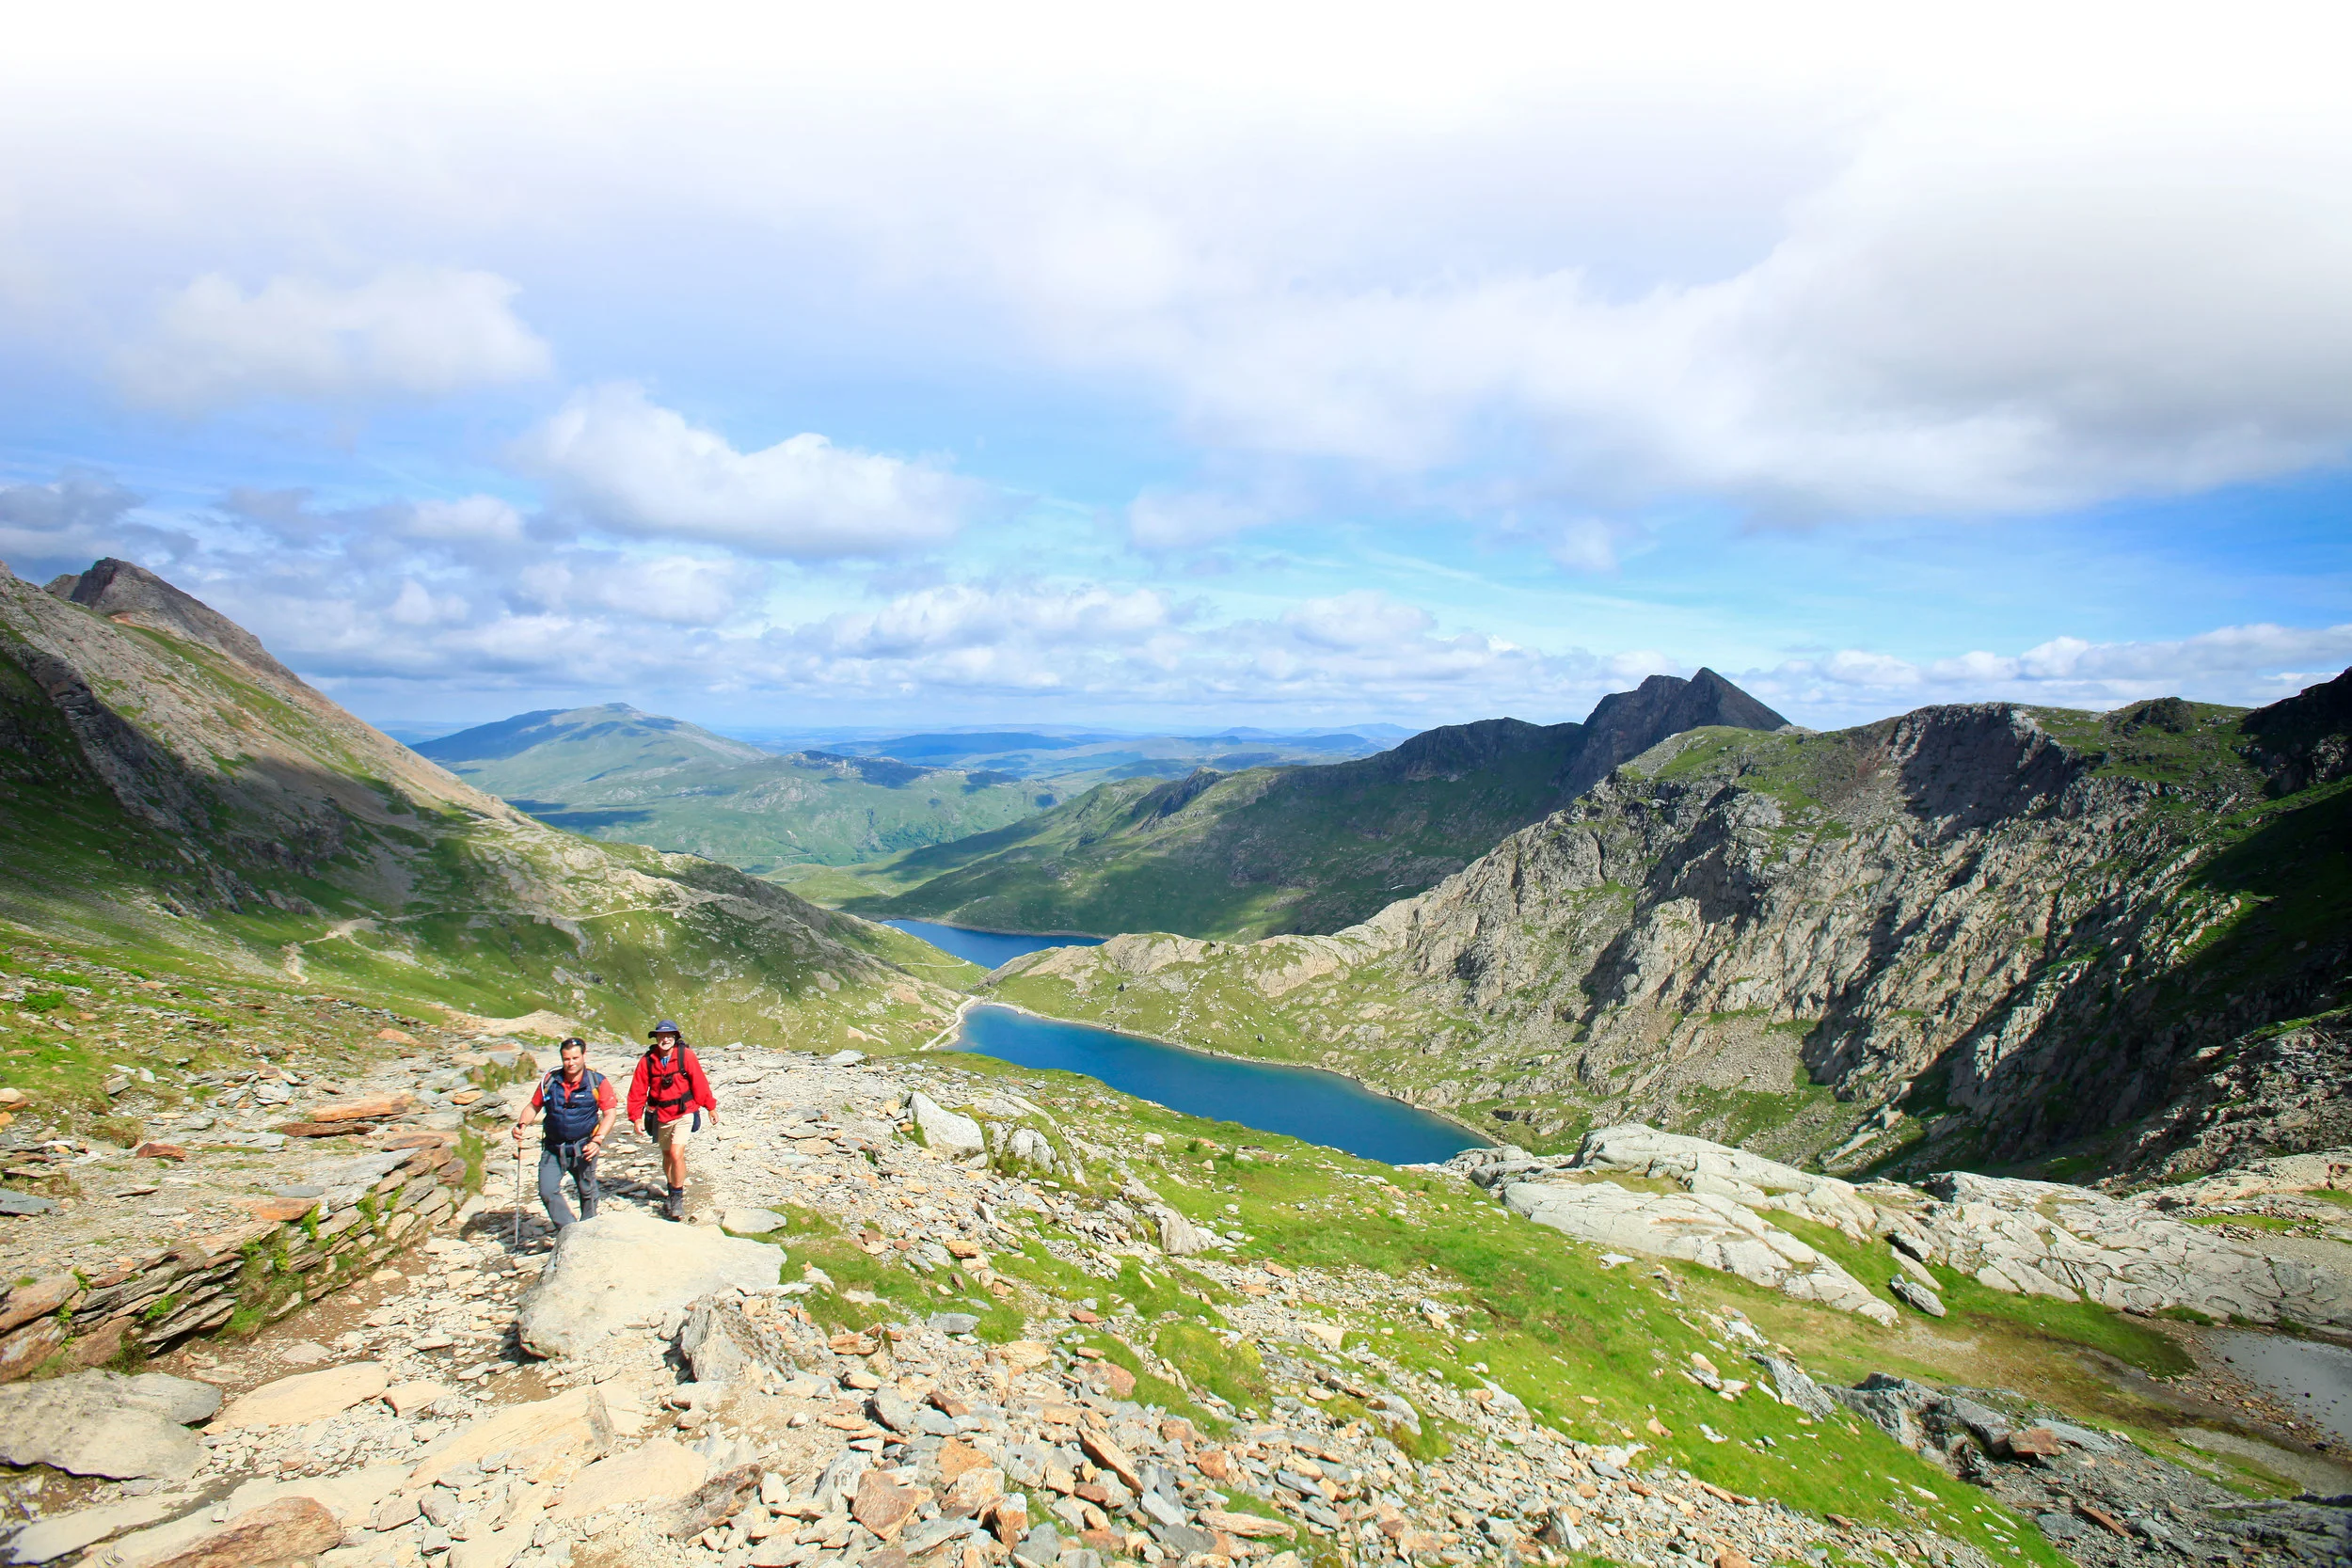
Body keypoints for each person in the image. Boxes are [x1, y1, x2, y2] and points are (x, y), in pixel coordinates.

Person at [511, 1037, 619, 1230]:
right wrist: (522, 1124)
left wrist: (598, 1140)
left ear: (584, 1056)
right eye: (567, 1059)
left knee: (587, 1191)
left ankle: (588, 1230)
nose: (571, 1063)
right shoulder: (551, 1080)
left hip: (584, 1147)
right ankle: (570, 1230)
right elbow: (534, 1106)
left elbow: (610, 1113)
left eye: (575, 1058)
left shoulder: (597, 1081)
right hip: (553, 1147)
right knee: (547, 1190)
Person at [627, 1019, 716, 1221]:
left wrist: (710, 1107)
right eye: (661, 1036)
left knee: (676, 1153)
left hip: (684, 1112)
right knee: (667, 1156)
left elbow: (700, 1083)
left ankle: (677, 1197)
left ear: (675, 1038)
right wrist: (636, 1117)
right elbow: (638, 1090)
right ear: (656, 1038)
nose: (665, 1039)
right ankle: (671, 1188)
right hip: (661, 1116)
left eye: (669, 1036)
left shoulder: (687, 1057)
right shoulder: (647, 1061)